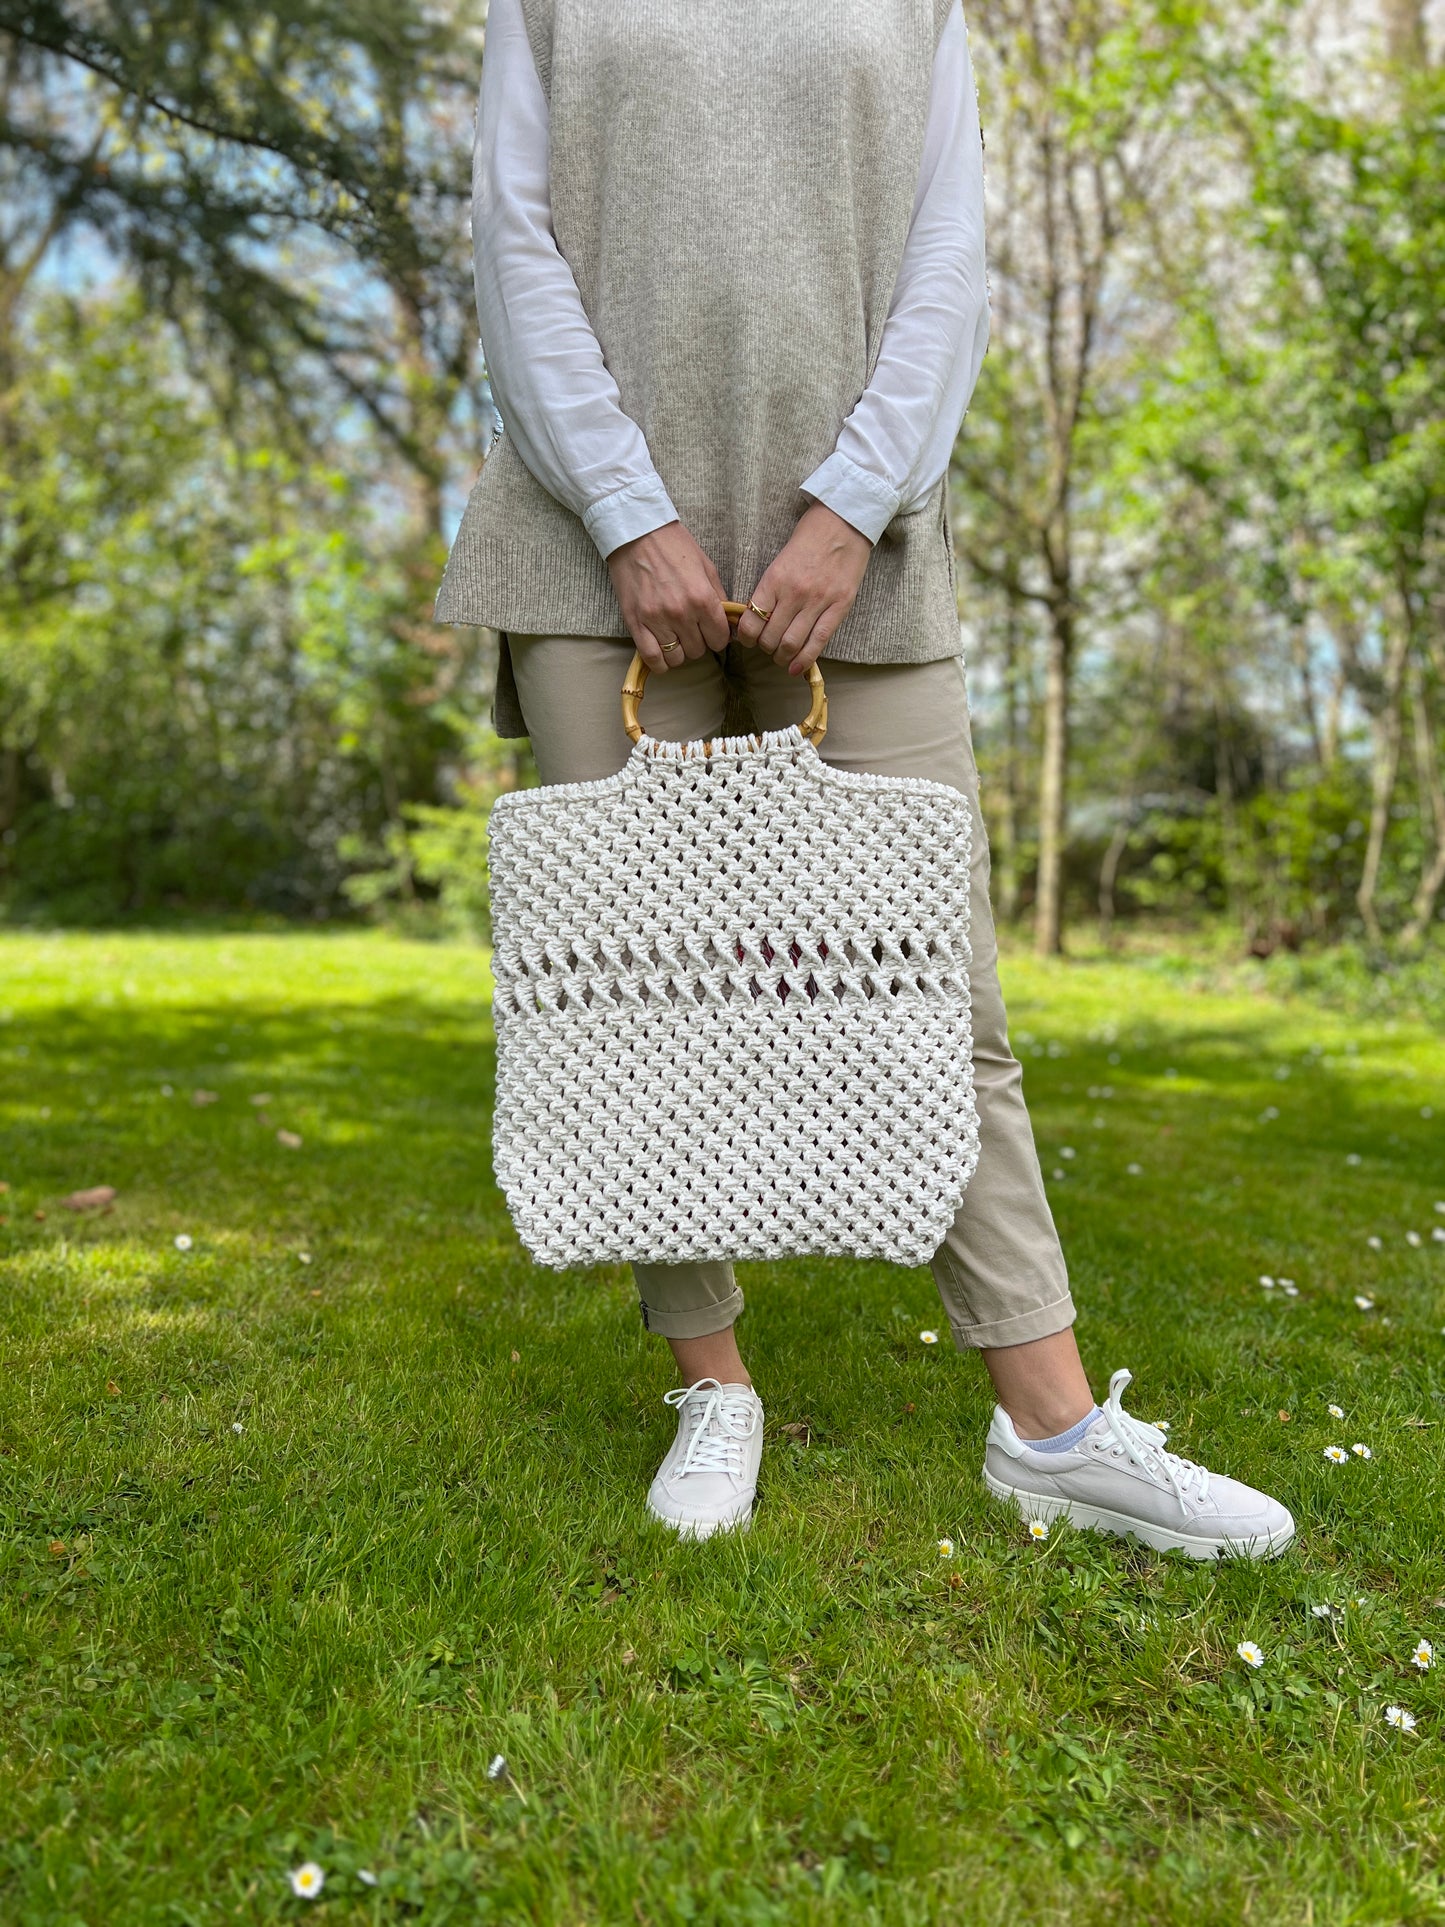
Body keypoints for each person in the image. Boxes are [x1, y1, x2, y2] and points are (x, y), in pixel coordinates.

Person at [435, 0, 1294, 1559]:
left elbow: (945, 265)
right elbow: (512, 241)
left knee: (935, 1000)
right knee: (639, 1000)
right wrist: (628, 513)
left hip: (861, 554)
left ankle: (1054, 1429)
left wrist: (850, 508)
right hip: (585, 545)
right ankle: (715, 1388)